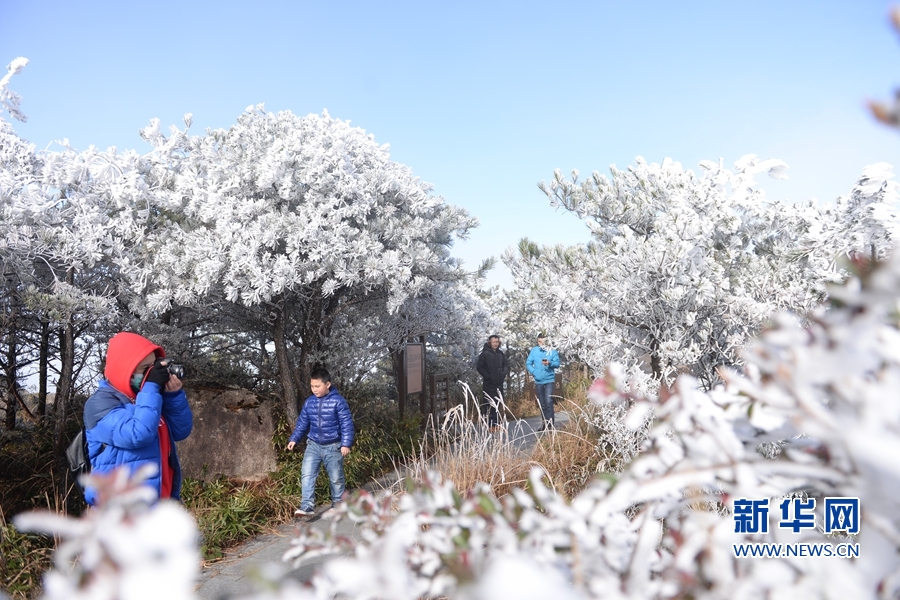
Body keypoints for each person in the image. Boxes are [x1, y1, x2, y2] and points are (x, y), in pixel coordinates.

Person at [82, 332, 193, 505]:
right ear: (124, 369)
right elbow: (138, 434)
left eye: (154, 367)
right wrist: (151, 387)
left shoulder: (148, 398)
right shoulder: (100, 404)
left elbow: (180, 431)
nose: (151, 374)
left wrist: (173, 396)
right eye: (145, 369)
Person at [286, 367, 355, 516]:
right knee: (307, 474)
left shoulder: (338, 401)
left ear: (328, 384)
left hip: (334, 446)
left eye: (318, 386)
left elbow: (346, 424)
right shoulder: (309, 402)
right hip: (313, 445)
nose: (314, 389)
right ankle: (307, 506)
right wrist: (294, 439)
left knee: (336, 478)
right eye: (312, 386)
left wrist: (346, 444)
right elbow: (303, 423)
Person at [526, 333, 560, 431]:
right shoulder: (534, 350)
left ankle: (551, 425)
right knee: (542, 403)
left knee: (548, 401)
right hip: (538, 381)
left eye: (543, 341)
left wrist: (550, 363)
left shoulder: (552, 351)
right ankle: (545, 424)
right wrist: (534, 372)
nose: (540, 343)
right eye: (539, 341)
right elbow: (528, 363)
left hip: (549, 380)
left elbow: (557, 364)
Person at [475, 334, 509, 430]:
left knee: (497, 404)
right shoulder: (485, 354)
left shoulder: (500, 353)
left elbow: (506, 365)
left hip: (499, 383)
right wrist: (488, 376)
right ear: (490, 342)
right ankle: (490, 425)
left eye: (497, 342)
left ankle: (496, 424)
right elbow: (479, 367)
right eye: (494, 342)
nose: (495, 344)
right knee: (489, 404)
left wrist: (503, 374)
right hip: (489, 384)